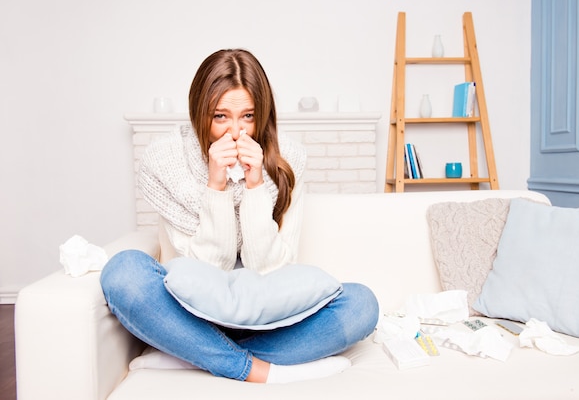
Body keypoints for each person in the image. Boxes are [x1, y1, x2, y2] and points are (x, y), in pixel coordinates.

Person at [100, 49, 379, 384]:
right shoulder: (166, 162)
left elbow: (271, 269)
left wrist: (256, 184)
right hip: (192, 312)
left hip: (266, 314)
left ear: (261, 115)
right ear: (199, 113)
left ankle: (192, 354)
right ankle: (253, 368)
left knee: (362, 305)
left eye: (247, 116)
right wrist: (215, 186)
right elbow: (206, 269)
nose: (236, 132)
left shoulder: (289, 160)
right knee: (122, 272)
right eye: (220, 117)